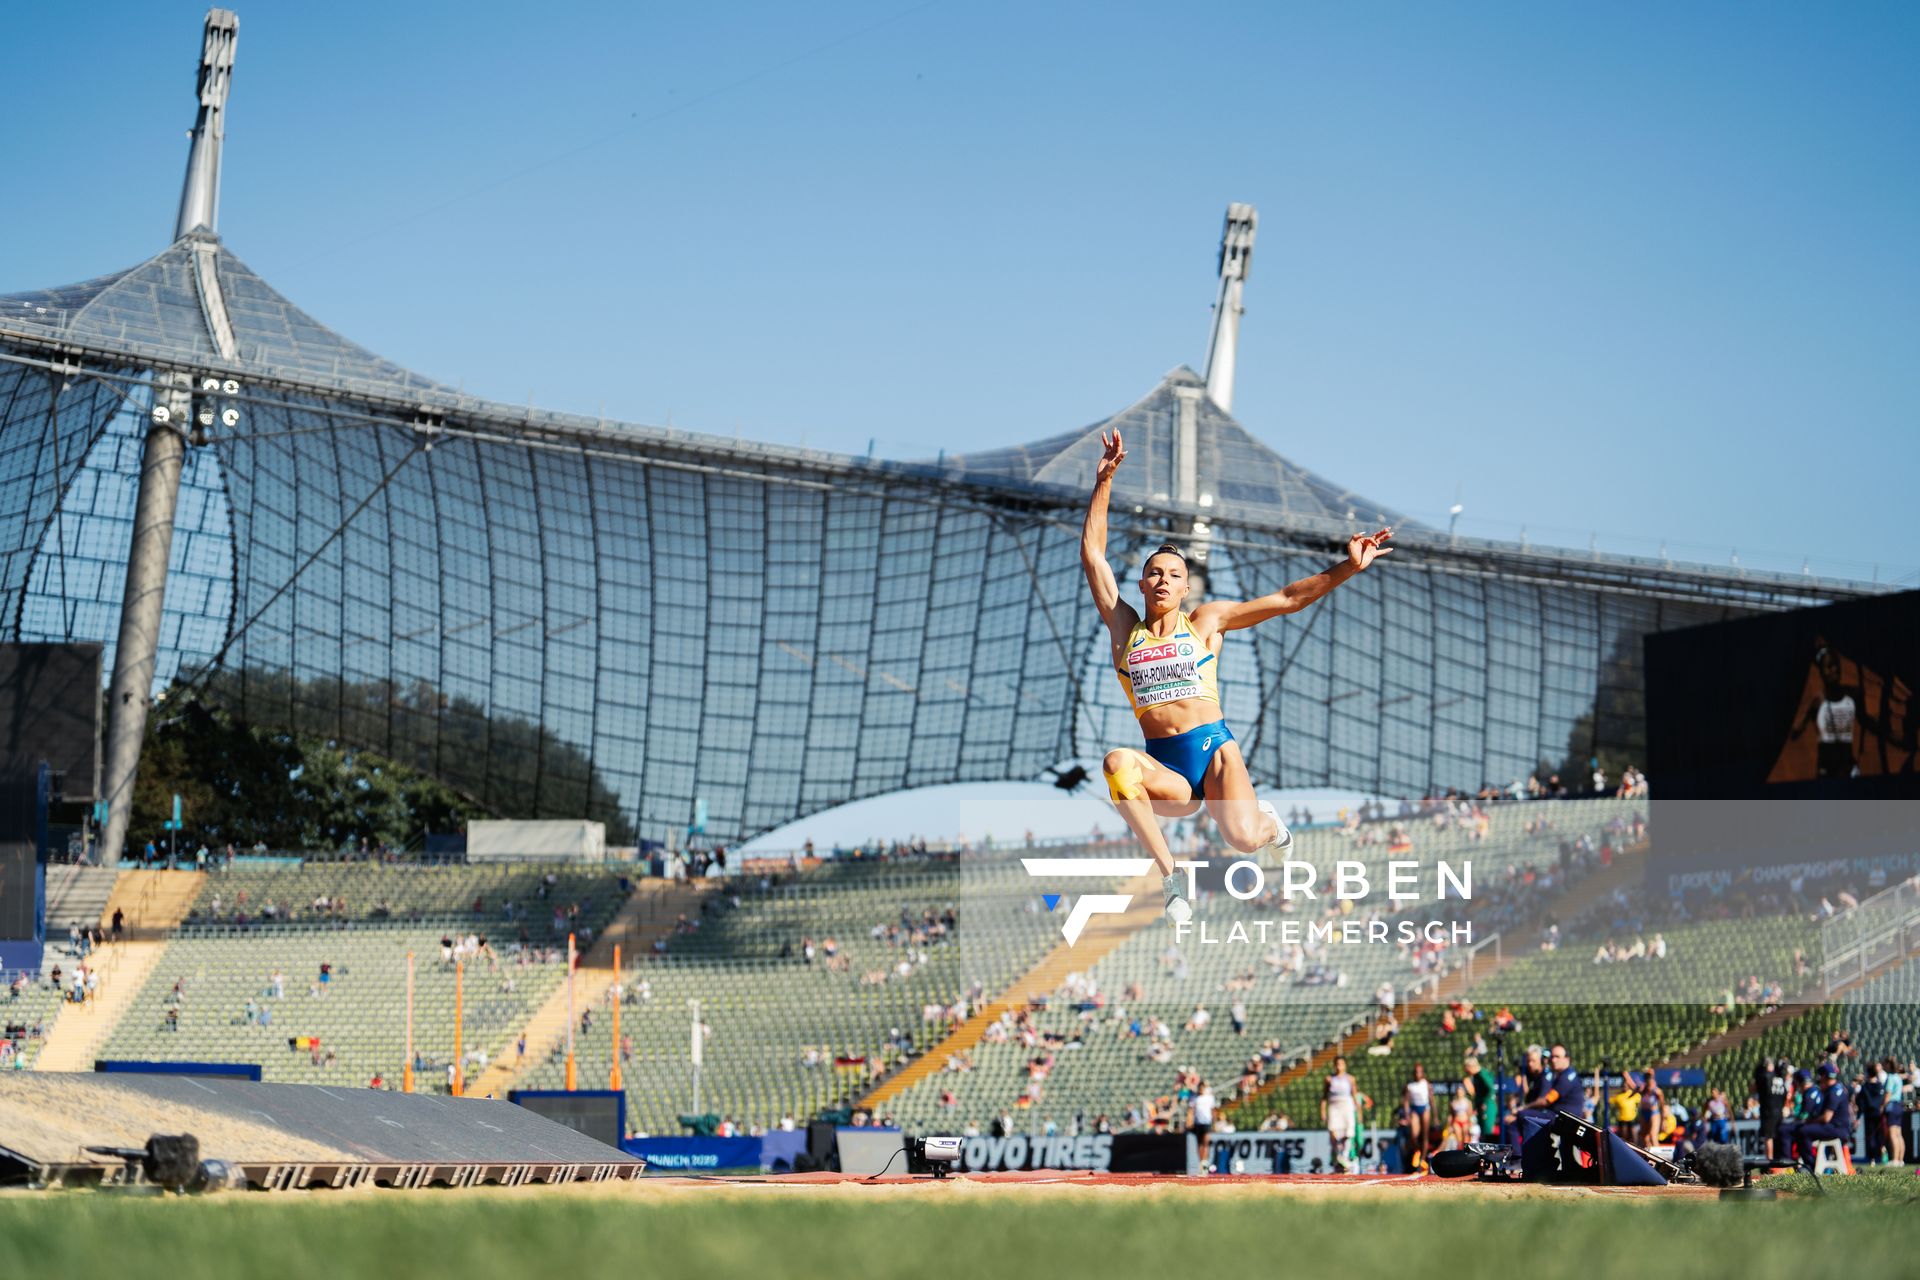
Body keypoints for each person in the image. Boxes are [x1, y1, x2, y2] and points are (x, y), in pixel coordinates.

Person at [1080, 428, 1391, 924]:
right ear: (1140, 583)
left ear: (1186, 589)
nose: (1162, 580)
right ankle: (1171, 876)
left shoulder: (1206, 622)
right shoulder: (1125, 631)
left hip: (1214, 751)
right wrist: (1104, 482)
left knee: (1243, 838)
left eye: (1173, 575)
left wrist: (1347, 568)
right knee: (1117, 763)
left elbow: (1286, 599)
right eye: (1154, 573)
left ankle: (1270, 825)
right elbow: (1094, 557)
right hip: (1169, 770)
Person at [1322, 1055, 1371, 1173]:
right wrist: (1323, 1111)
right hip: (1334, 1106)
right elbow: (1324, 1097)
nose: (1339, 1066)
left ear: (1345, 1065)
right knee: (1333, 1132)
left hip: (1347, 1105)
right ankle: (1337, 1155)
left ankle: (1344, 1156)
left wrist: (1359, 1112)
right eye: (1337, 1064)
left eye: (1341, 1064)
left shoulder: (1350, 1079)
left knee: (1348, 1132)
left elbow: (1354, 1095)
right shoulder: (1329, 1079)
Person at [1755, 1056, 1789, 1159]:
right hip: (1779, 1111)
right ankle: (1777, 1159)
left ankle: (1769, 1162)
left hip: (1768, 1111)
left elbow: (1756, 1087)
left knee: (1768, 1137)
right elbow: (1785, 1094)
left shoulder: (1764, 1076)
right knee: (1777, 1136)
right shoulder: (1780, 1078)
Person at [1403, 1063, 1433, 1171]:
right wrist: (1407, 1115)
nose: (1418, 1074)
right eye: (1416, 1072)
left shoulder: (1426, 1083)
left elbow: (1431, 1100)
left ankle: (1422, 1159)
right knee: (1414, 1135)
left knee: (1425, 1135)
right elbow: (1406, 1101)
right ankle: (1418, 1150)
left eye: (1420, 1072)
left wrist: (1435, 1117)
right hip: (1415, 1109)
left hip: (1425, 1108)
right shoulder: (1410, 1085)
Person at [1190, 1079, 1217, 1172]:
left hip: (1207, 1122)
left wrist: (1214, 1123)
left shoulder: (1209, 1098)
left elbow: (1213, 1110)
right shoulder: (1194, 1098)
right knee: (1199, 1143)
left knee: (1206, 1142)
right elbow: (1192, 1110)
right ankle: (1201, 1162)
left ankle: (1204, 1162)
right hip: (1198, 1123)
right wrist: (1190, 1120)